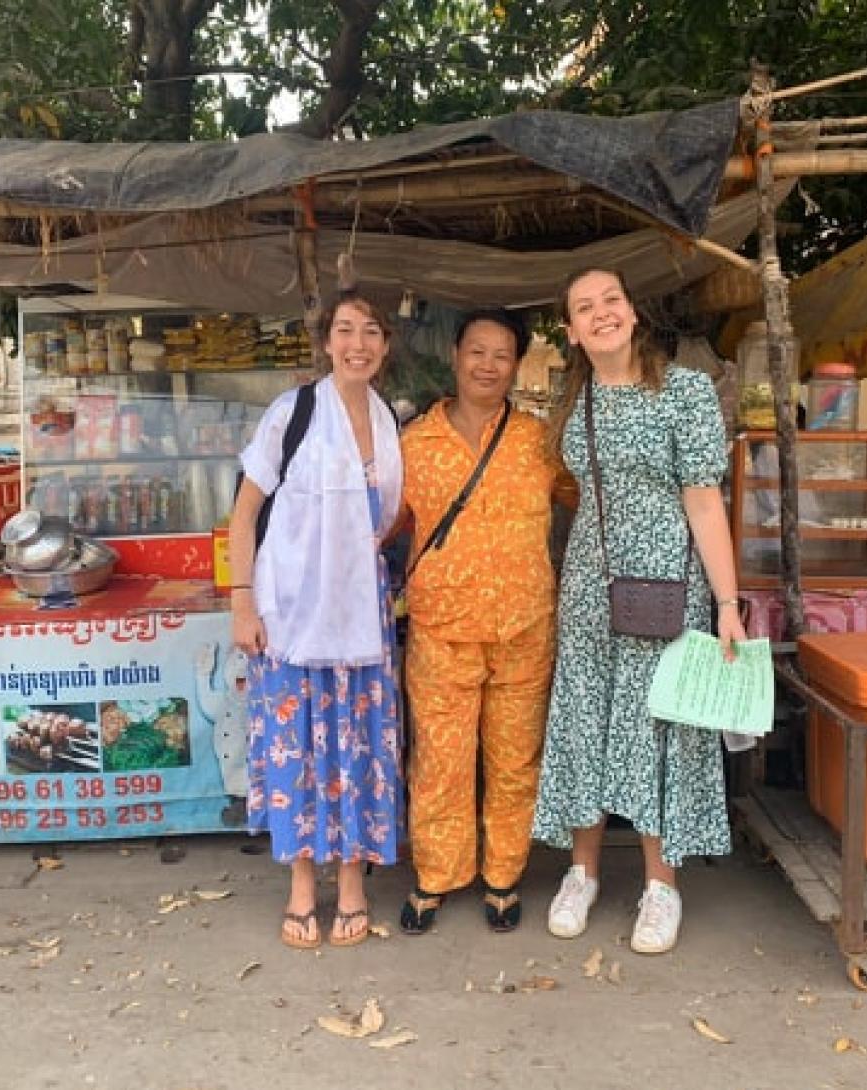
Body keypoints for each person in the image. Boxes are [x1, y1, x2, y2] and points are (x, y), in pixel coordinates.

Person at [533, 268, 747, 955]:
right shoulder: (576, 400)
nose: (601, 314)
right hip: (593, 593)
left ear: (632, 313)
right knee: (586, 724)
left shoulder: (684, 392)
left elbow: (705, 501)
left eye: (611, 301)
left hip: (669, 592)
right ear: (570, 331)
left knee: (658, 730)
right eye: (584, 308)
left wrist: (728, 603)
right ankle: (582, 872)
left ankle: (661, 887)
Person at [228, 292, 404, 950]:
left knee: (359, 749)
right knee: (296, 751)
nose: (357, 343)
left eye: (371, 331)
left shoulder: (388, 422)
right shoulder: (292, 413)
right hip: (290, 618)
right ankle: (303, 886)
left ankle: (353, 884)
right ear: (326, 342)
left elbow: (382, 523)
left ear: (385, 345)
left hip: (361, 617)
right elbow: (244, 514)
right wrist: (243, 602)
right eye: (345, 330)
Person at [398, 308, 577, 934]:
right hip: (442, 630)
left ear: (516, 364)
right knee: (442, 758)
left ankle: (504, 874)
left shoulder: (539, 441)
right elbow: (382, 525)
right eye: (477, 351)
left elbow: (583, 500)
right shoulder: (413, 445)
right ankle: (438, 874)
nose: (488, 365)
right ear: (456, 355)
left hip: (525, 628)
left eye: (502, 354)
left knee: (513, 758)